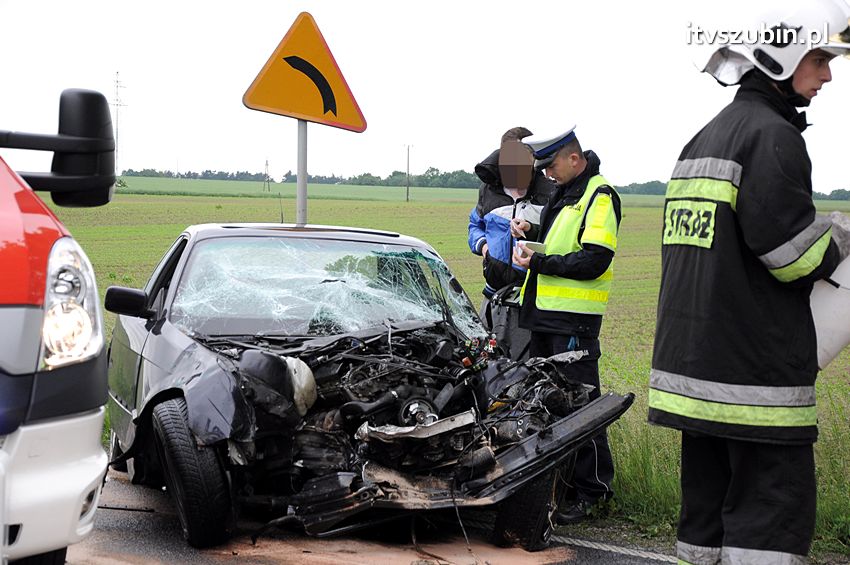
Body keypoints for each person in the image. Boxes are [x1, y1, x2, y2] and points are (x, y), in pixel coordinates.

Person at [648, 2, 850, 563]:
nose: (829, 75)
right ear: (782, 61)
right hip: (755, 384)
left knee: (705, 524)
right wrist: (841, 234)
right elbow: (791, 257)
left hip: (698, 375)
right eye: (819, 59)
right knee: (769, 523)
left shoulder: (706, 138)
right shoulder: (773, 137)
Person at [512, 126, 622, 524]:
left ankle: (593, 492)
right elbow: (564, 242)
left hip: (573, 322)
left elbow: (594, 260)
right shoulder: (567, 191)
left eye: (551, 166)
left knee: (581, 408)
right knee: (550, 405)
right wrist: (533, 234)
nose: (546, 174)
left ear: (574, 159)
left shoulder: (599, 195)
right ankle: (562, 486)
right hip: (545, 316)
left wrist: (540, 262)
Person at [467, 127, 555, 361]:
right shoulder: (488, 189)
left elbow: (558, 238)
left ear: (533, 157)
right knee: (486, 364)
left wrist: (530, 230)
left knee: (523, 369)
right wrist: (484, 247)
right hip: (492, 296)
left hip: (529, 300)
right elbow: (475, 225)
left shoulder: (551, 193)